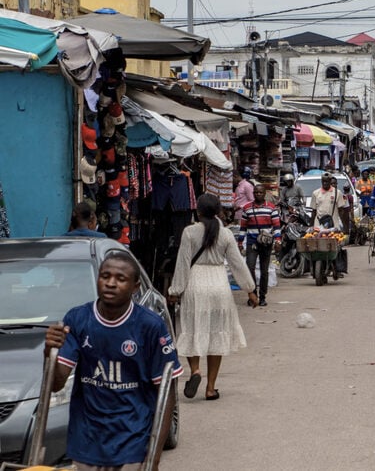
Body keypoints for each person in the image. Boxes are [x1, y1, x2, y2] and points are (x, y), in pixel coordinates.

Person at [44, 250, 183, 470]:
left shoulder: (150, 326)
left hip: (132, 439)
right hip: (87, 439)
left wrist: (154, 457)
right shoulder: (77, 319)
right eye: (105, 276)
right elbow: (56, 383)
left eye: (120, 279)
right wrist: (49, 352)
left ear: (135, 287)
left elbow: (166, 393)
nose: (110, 283)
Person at [168, 194, 258, 401]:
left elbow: (182, 265)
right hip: (219, 286)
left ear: (198, 212)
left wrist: (175, 291)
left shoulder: (189, 232)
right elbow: (237, 264)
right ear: (218, 212)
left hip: (195, 285)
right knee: (215, 335)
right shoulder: (226, 234)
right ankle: (210, 388)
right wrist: (250, 290)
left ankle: (196, 370)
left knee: (192, 329)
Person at [239, 184, 281, 307]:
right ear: (253, 193)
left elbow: (277, 227)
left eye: (260, 192)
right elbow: (243, 228)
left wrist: (277, 241)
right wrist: (240, 243)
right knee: (249, 268)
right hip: (252, 243)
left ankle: (262, 296)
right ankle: (253, 294)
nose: (258, 194)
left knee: (264, 271)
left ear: (264, 194)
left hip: (266, 243)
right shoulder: (247, 208)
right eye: (256, 192)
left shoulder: (271, 208)